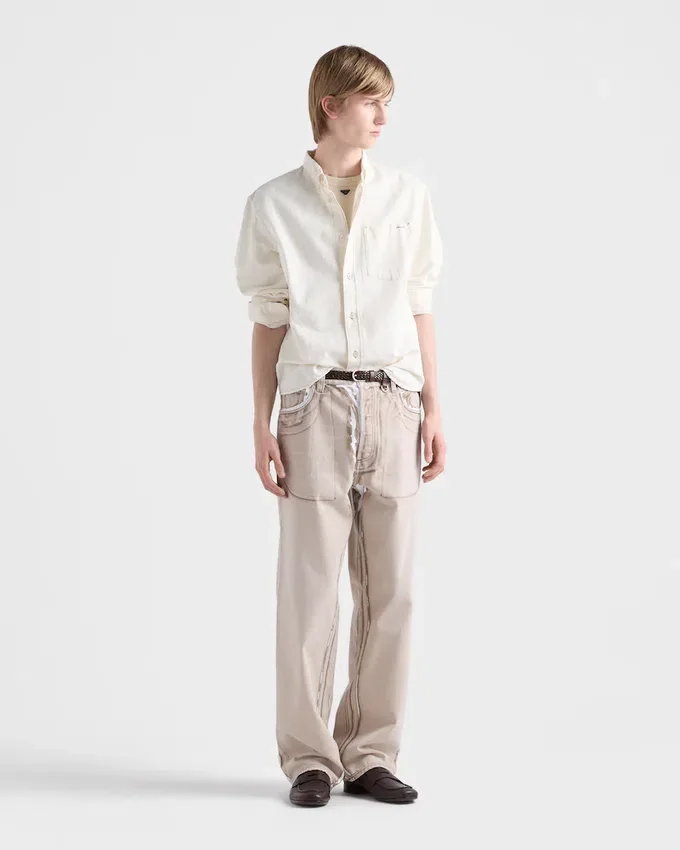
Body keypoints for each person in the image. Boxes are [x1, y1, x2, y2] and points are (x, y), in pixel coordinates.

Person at [235, 44, 446, 807]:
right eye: (370, 100)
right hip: (312, 405)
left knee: (392, 593)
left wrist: (434, 408)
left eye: (387, 101)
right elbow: (268, 317)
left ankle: (370, 752)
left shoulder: (408, 198)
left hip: (393, 401)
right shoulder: (273, 205)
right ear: (331, 105)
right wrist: (260, 423)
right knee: (310, 593)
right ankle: (310, 760)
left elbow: (419, 304)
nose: (384, 115)